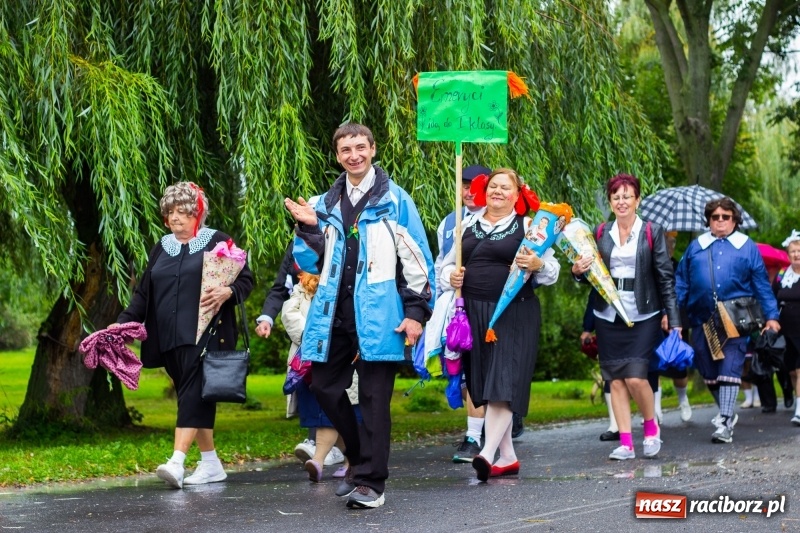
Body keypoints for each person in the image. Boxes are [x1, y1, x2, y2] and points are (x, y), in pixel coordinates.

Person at [284, 123, 434, 509]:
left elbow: (417, 260)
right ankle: (359, 456)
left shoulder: (397, 201)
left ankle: (371, 483)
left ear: (373, 150)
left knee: (373, 399)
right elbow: (306, 261)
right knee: (324, 387)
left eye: (360, 147)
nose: (354, 155)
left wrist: (416, 313)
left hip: (380, 315)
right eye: (346, 149)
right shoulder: (323, 203)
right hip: (333, 313)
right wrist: (308, 227)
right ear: (337, 155)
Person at [113, 182, 254, 489]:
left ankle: (177, 461)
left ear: (197, 213)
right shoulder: (161, 247)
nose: (175, 218)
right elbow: (143, 296)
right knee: (193, 395)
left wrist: (228, 291)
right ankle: (211, 463)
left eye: (183, 211)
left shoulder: (217, 240)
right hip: (167, 338)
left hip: (206, 333)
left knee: (192, 391)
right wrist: (121, 324)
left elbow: (246, 279)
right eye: (170, 212)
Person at [440, 168, 560, 482]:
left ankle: (487, 452)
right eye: (493, 186)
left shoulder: (529, 226)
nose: (498, 191)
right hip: (474, 314)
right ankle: (507, 457)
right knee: (483, 384)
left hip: (513, 313)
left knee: (503, 383)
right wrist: (450, 277)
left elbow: (552, 270)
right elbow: (444, 268)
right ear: (484, 190)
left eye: (506, 187)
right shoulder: (466, 224)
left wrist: (538, 264)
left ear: (518, 195)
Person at [571, 174, 681, 460]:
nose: (621, 201)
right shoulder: (599, 232)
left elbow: (665, 278)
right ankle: (625, 443)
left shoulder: (651, 231)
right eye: (616, 197)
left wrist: (675, 319)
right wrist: (578, 272)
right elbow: (590, 277)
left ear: (637, 200)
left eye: (627, 196)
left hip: (643, 312)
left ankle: (650, 428)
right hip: (608, 315)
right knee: (615, 380)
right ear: (610, 201)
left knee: (635, 377)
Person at [675, 197, 780, 444]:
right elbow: (681, 282)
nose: (720, 221)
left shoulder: (746, 246)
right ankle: (727, 411)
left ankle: (723, 421)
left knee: (730, 367)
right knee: (709, 371)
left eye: (726, 216)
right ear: (709, 220)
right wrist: (672, 315)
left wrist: (772, 317)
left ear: (734, 220)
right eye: (715, 217)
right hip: (701, 319)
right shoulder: (697, 246)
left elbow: (762, 285)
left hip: (735, 319)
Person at [255, 242, 344, 467]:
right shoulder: (298, 246)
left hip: (341, 330)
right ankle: (319, 444)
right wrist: (267, 318)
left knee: (341, 390)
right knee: (311, 384)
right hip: (306, 336)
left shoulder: (343, 236)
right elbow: (281, 290)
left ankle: (337, 450)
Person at [433, 164, 490, 463]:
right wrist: (448, 280)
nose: (468, 192)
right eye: (463, 185)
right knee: (466, 371)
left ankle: (491, 429)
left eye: (475, 185)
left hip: (493, 306)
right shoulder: (449, 223)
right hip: (461, 308)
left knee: (488, 369)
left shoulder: (505, 219)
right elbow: (441, 264)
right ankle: (474, 435)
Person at [281, 271, 359, 481]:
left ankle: (318, 460)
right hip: (307, 365)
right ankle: (353, 459)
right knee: (328, 415)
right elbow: (289, 314)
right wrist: (314, 336)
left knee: (331, 411)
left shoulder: (345, 282)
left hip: (338, 359)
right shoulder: (301, 288)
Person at [580, 290, 620, 441]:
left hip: (639, 317)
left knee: (638, 373)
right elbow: (595, 291)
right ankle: (614, 425)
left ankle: (652, 418)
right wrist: (587, 328)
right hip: (606, 320)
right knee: (609, 371)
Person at [773, 230, 800, 425]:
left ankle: (799, 410)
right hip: (786, 331)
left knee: (799, 370)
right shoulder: (782, 275)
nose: (796, 254)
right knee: (791, 371)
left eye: (799, 251)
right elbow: (772, 298)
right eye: (793, 251)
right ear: (788, 253)